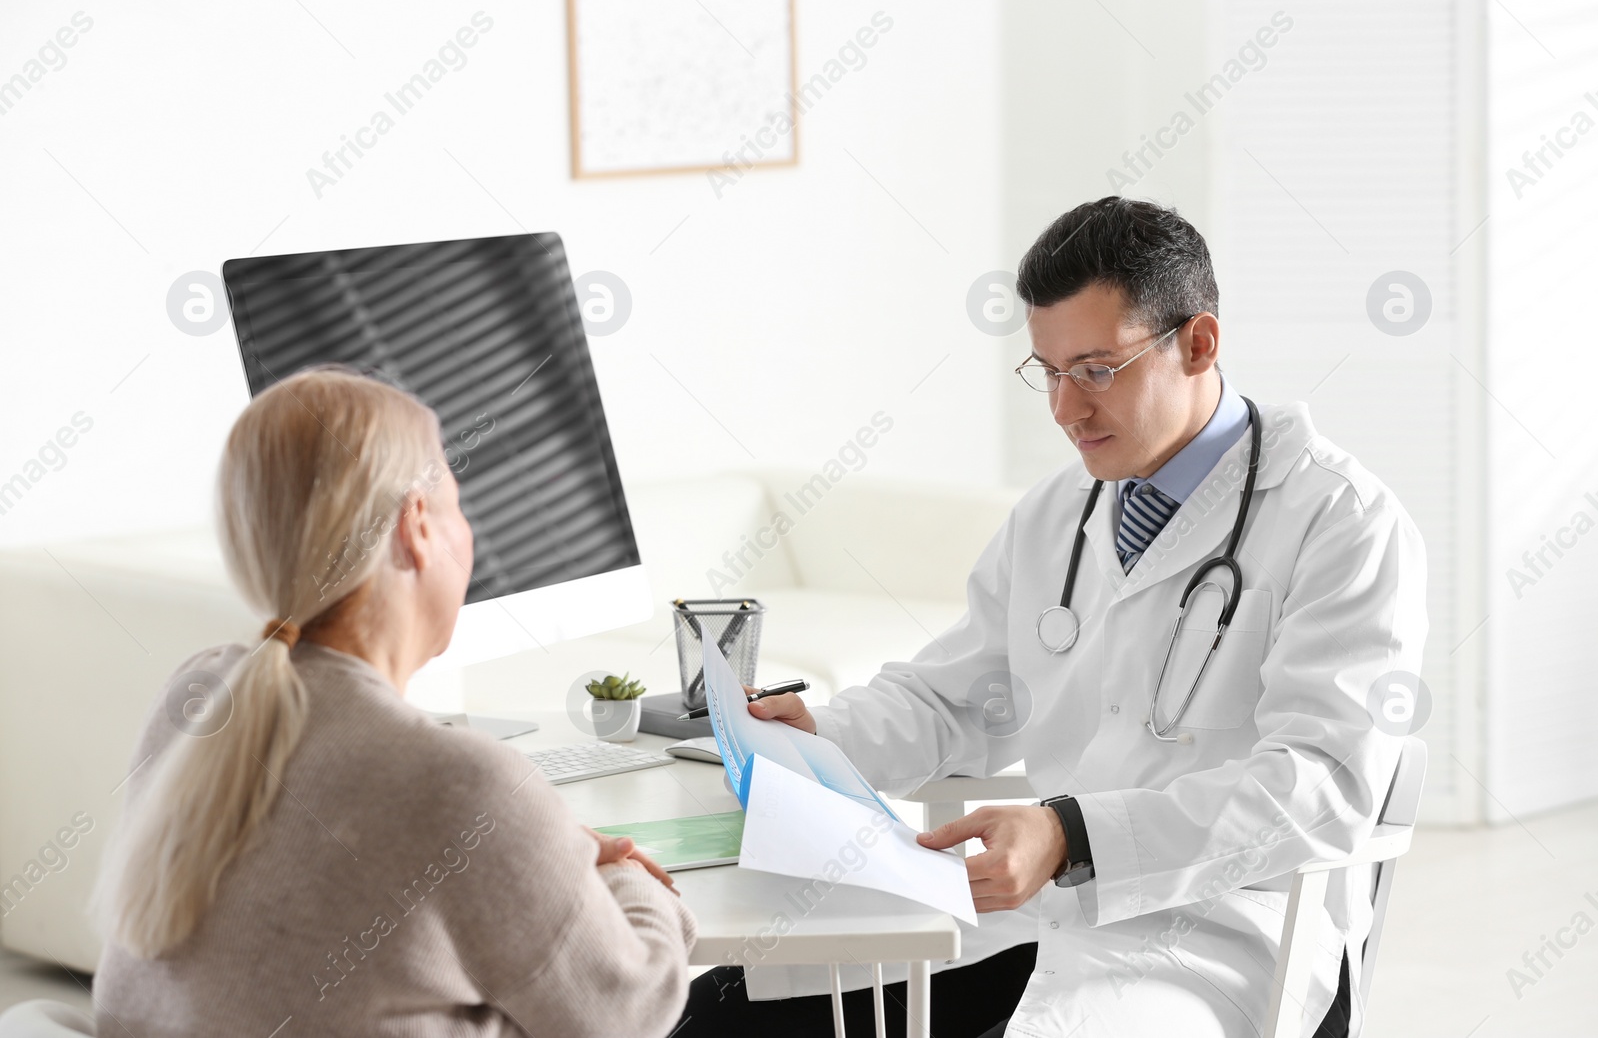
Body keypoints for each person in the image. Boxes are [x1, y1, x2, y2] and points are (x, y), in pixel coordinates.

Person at [676, 196, 1427, 1037]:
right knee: (719, 1011)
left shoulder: (1343, 520)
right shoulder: (1057, 512)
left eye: (1097, 369)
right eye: (1049, 370)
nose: (1066, 410)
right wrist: (814, 728)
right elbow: (955, 698)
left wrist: (1070, 834)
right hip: (1036, 918)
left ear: (1199, 342)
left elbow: (1325, 787)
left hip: (1218, 940)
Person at [91, 366, 696, 1037]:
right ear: (416, 527)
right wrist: (621, 878)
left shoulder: (195, 698)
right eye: (457, 504)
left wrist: (529, 852)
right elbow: (628, 1012)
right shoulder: (465, 784)